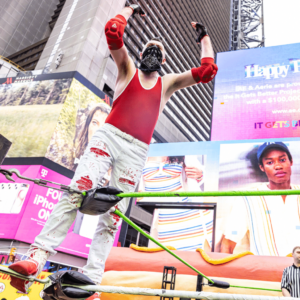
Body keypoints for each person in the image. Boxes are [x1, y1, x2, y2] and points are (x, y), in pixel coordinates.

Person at [8, 4, 218, 298]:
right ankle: (36, 257)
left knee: (114, 214)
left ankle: (92, 280)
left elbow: (207, 71)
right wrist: (130, 9)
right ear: (142, 53)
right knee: (78, 191)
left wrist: (204, 38)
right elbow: (113, 31)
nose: (153, 52)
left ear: (165, 59)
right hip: (108, 137)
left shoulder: (167, 83)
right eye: (149, 47)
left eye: (158, 50)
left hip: (136, 151)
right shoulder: (127, 68)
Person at [220, 142, 300, 256]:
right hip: (268, 271)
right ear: (262, 167)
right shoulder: (248, 199)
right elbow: (228, 244)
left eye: (282, 160)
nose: (278, 166)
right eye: (270, 162)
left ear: (291, 162)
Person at [139, 155, 212, 251]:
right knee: (170, 259)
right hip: (165, 217)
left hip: (191, 212)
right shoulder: (147, 153)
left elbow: (205, 178)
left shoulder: (183, 153)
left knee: (198, 258)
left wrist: (200, 174)